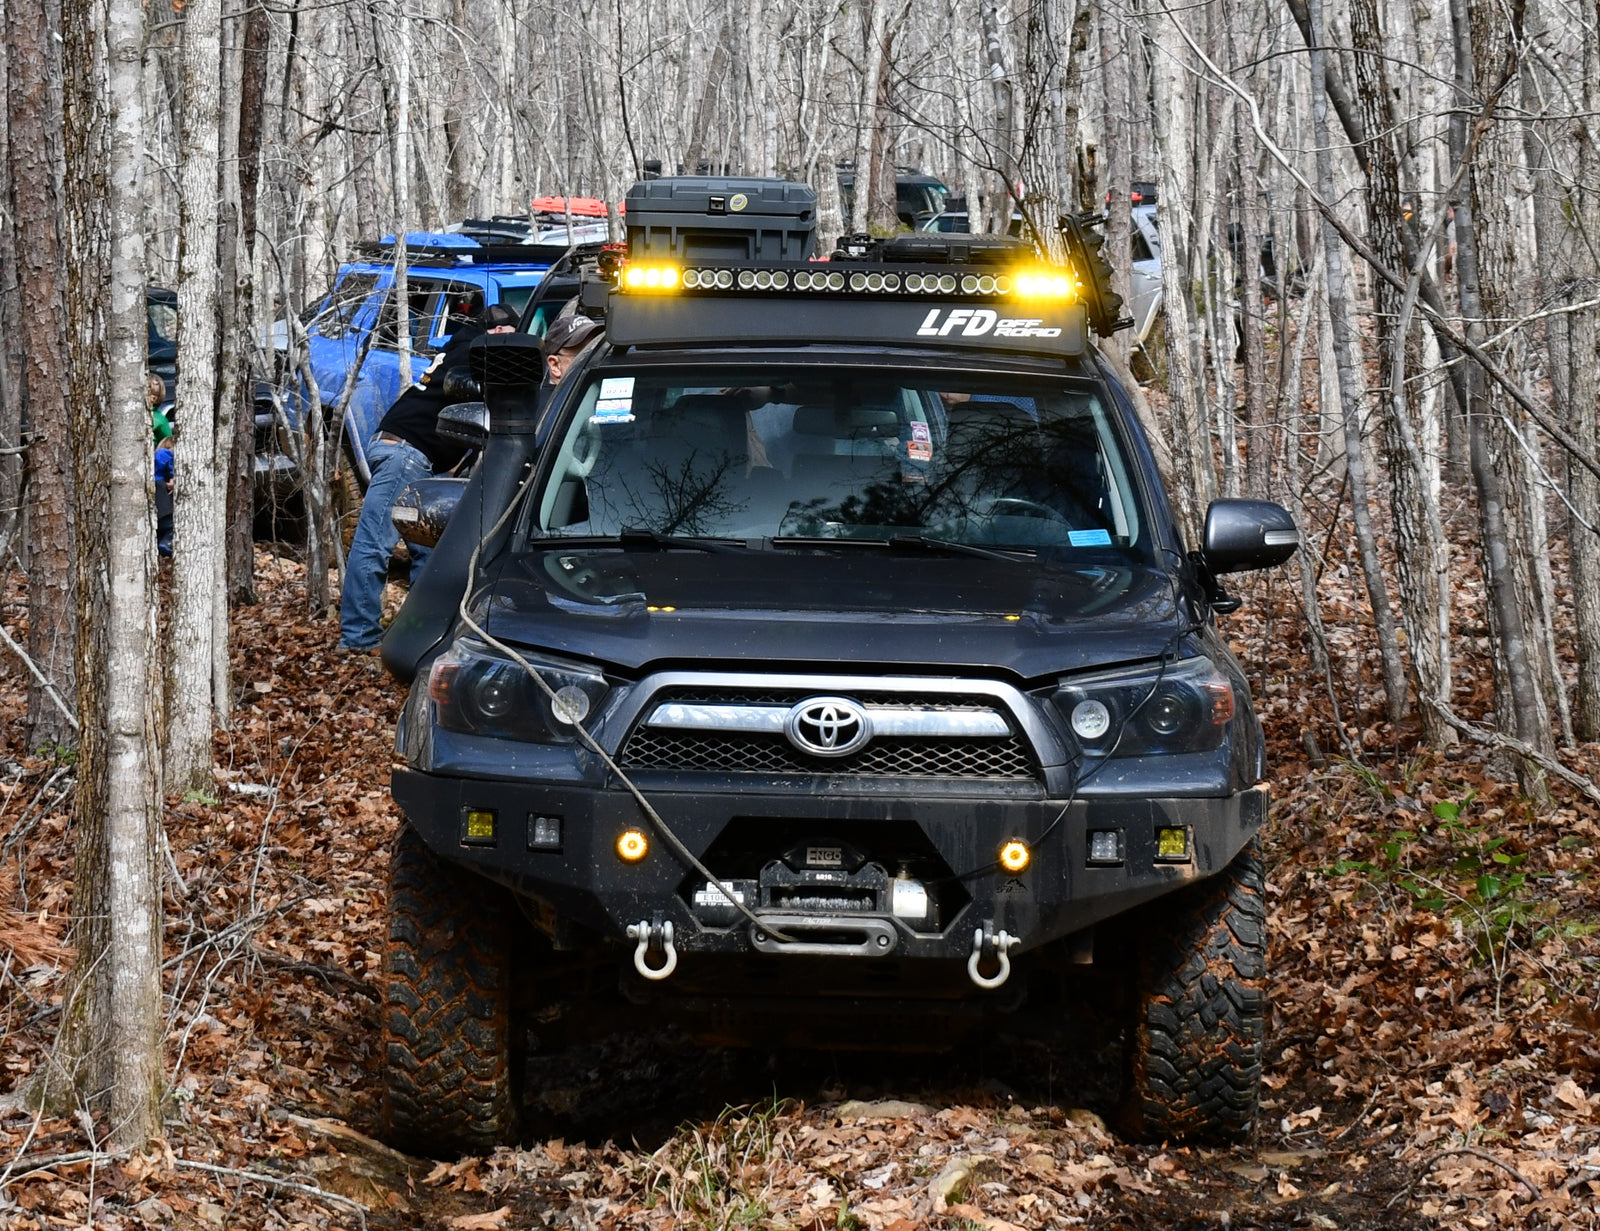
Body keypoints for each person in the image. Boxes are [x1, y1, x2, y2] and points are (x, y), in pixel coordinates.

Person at [338, 302, 518, 652]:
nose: (505, 341)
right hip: (404, 455)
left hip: (412, 456)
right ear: (491, 332)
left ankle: (422, 634)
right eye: (502, 333)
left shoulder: (460, 349)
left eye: (510, 335)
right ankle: (358, 639)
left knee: (429, 554)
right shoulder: (473, 353)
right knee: (374, 544)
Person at [148, 374, 175, 556]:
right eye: (150, 393)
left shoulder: (160, 419)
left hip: (156, 469)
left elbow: (168, 443)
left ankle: (165, 539)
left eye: (156, 396)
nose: (152, 398)